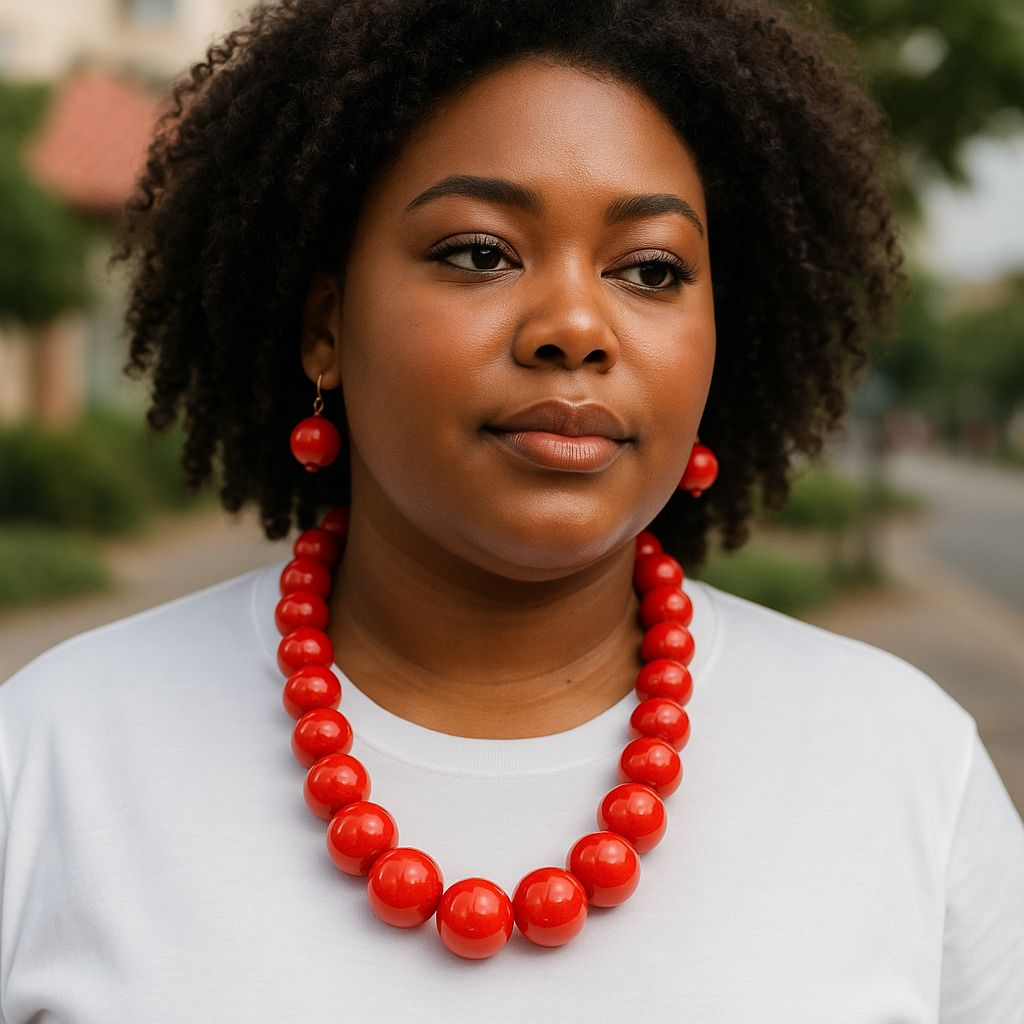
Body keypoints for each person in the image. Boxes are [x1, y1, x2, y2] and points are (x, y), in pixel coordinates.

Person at [1, 0, 1022, 1019]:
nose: (574, 326)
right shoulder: (55, 758)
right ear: (326, 327)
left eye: (651, 269)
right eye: (480, 252)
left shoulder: (905, 768)